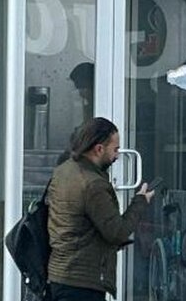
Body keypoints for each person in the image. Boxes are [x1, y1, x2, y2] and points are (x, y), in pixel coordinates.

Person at [46, 117, 155, 300]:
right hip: (83, 281)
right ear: (99, 149)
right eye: (115, 149)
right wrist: (140, 201)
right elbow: (117, 232)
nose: (117, 156)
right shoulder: (93, 184)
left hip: (59, 274)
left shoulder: (63, 171)